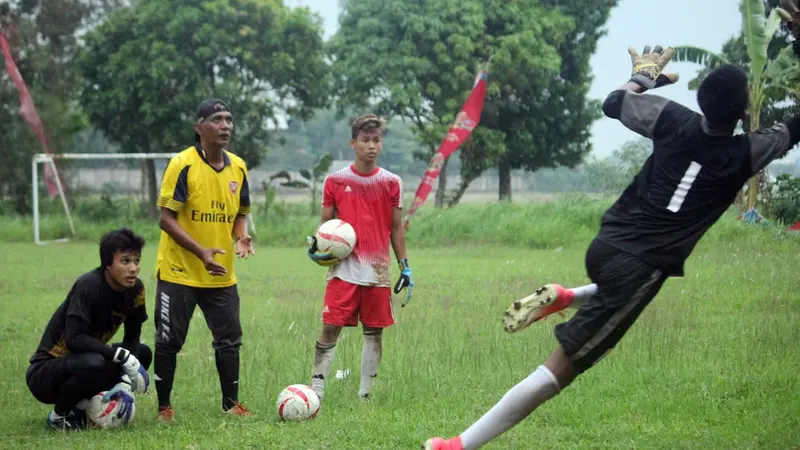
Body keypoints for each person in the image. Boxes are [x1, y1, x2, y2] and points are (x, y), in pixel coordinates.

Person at [423, 44, 800, 450]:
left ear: (700, 99)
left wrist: (643, 77)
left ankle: (570, 295)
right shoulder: (746, 153)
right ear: (744, 112)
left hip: (606, 244)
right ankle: (458, 445)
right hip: (639, 268)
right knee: (560, 371)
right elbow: (793, 128)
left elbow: (615, 102)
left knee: (615, 297)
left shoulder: (672, 117)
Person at [153, 98, 255, 423]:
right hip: (179, 272)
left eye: (228, 119)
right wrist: (201, 252)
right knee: (169, 341)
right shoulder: (182, 164)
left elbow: (240, 214)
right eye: (217, 119)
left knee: (229, 340)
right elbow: (166, 219)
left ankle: (231, 404)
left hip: (221, 275)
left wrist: (241, 237)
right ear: (199, 128)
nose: (225, 125)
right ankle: (164, 407)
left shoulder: (238, 167)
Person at [306, 113, 413, 402]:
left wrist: (405, 267)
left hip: (377, 271)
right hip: (343, 271)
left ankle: (365, 395)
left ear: (381, 143)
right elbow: (325, 227)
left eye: (376, 140)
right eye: (365, 140)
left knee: (374, 332)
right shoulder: (336, 181)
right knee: (330, 329)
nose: (371, 146)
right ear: (353, 143)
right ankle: (316, 392)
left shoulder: (392, 182)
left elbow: (395, 228)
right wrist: (316, 247)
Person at [26, 227, 151, 431]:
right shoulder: (89, 285)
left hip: (87, 363)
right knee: (95, 362)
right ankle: (58, 417)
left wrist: (125, 382)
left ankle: (87, 407)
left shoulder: (136, 289)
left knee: (142, 354)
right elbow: (74, 339)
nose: (133, 268)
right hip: (46, 372)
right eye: (125, 261)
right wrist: (121, 357)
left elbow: (133, 336)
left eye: (136, 261)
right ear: (108, 264)